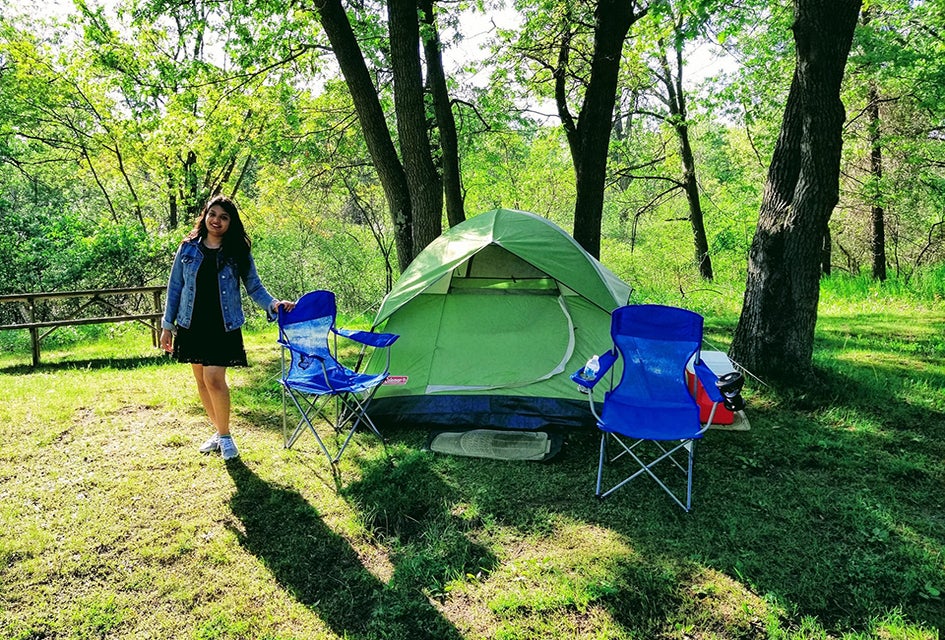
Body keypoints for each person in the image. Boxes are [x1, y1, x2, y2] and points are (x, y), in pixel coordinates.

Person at [160, 194, 294, 461]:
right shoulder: (187, 248)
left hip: (223, 324)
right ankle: (219, 431)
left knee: (214, 380)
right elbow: (175, 288)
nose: (216, 221)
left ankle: (225, 437)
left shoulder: (237, 251)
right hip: (191, 323)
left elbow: (254, 286)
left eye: (224, 217)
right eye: (213, 214)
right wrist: (167, 325)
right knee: (201, 382)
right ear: (205, 216)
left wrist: (274, 304)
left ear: (231, 222)